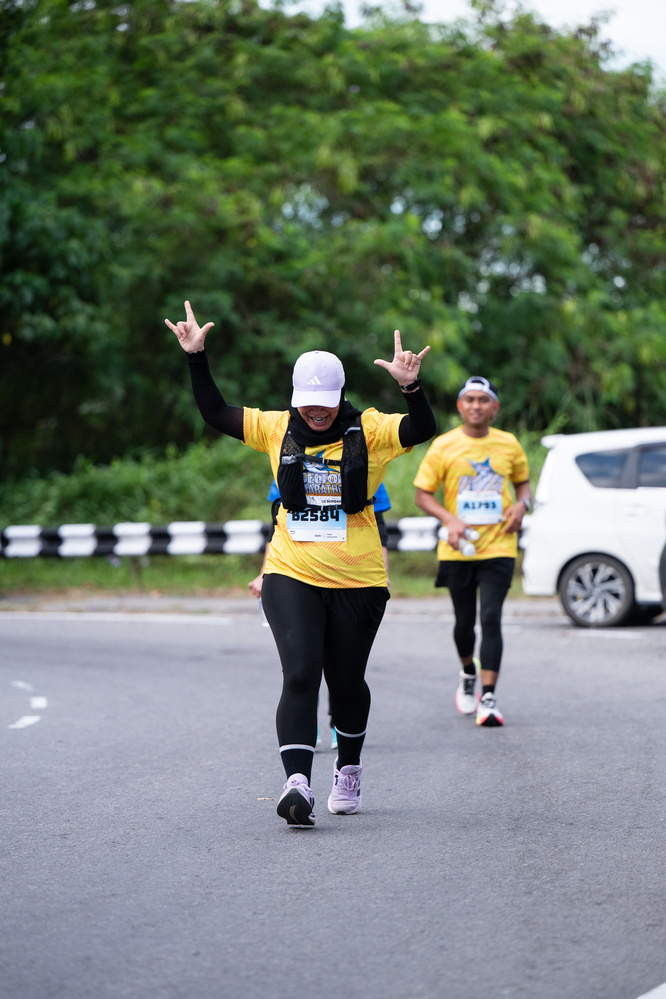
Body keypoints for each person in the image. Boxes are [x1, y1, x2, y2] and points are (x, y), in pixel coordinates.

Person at [166, 302, 435, 827]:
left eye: (325, 405)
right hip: (291, 570)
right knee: (301, 672)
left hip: (357, 578)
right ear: (295, 399)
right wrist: (196, 357)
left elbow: (422, 427)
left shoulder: (371, 430)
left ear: (340, 397)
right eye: (307, 404)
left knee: (347, 682)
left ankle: (348, 769)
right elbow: (215, 412)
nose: (316, 413)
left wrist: (411, 387)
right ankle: (297, 785)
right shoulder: (274, 428)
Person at [413, 376, 531, 727]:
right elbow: (422, 495)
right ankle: (468, 672)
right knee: (464, 624)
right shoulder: (444, 445)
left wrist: (522, 505)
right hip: (458, 549)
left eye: (483, 400)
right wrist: (449, 519)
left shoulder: (509, 444)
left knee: (491, 618)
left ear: (495, 407)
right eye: (470, 400)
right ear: (460, 406)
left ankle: (489, 697)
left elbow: (523, 484)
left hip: (499, 545)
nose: (476, 406)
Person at [248, 482, 394, 752]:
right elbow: (276, 522)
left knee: (341, 666)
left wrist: (381, 573)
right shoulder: (288, 461)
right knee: (305, 661)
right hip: (299, 575)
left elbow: (379, 527)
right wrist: (264, 573)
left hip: (349, 577)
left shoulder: (363, 463)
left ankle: (338, 722)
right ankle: (306, 722)